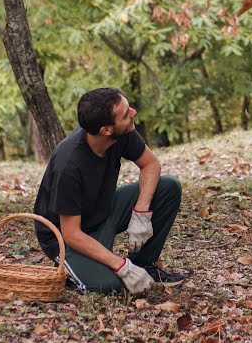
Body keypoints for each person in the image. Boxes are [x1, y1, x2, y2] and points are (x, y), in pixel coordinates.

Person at [33, 87, 186, 294]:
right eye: (126, 114)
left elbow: (150, 164)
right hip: (66, 237)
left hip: (102, 210)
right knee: (108, 286)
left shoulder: (122, 132)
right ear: (106, 130)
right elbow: (71, 234)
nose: (133, 113)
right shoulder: (68, 165)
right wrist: (121, 266)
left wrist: (141, 213)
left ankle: (143, 264)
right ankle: (73, 269)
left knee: (168, 187)